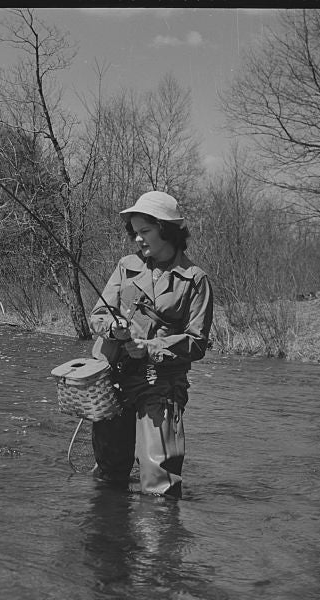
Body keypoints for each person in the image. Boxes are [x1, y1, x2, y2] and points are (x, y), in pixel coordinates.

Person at [88, 191, 213, 499]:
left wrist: (152, 348)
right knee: (110, 473)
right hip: (114, 378)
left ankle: (159, 542)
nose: (138, 240)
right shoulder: (126, 266)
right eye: (135, 232)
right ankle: (111, 541)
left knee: (159, 481)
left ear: (166, 229)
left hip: (161, 383)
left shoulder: (195, 280)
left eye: (145, 231)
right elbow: (99, 315)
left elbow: (197, 342)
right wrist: (114, 330)